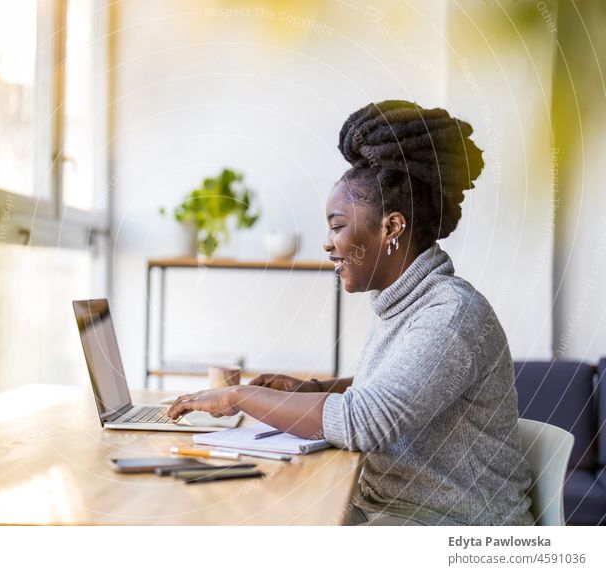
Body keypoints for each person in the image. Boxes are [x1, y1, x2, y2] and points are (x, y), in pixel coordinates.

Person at [167, 100, 534, 526]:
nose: (326, 243)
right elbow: (395, 392)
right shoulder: (405, 302)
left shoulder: (450, 315)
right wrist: (311, 389)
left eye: (337, 225)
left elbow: (364, 420)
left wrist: (236, 396)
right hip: (392, 512)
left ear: (391, 227)